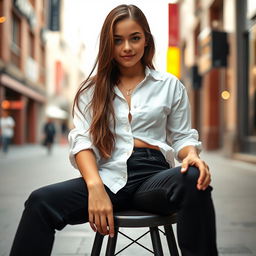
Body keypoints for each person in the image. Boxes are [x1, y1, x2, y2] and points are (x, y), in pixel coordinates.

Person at [10, 4, 218, 256]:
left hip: (153, 178)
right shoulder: (91, 90)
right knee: (39, 202)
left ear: (147, 41)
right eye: (117, 40)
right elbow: (82, 141)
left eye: (135, 38)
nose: (127, 47)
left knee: (194, 180)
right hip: (106, 177)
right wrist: (95, 187)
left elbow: (182, 135)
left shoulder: (169, 85)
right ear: (108, 44)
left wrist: (191, 156)